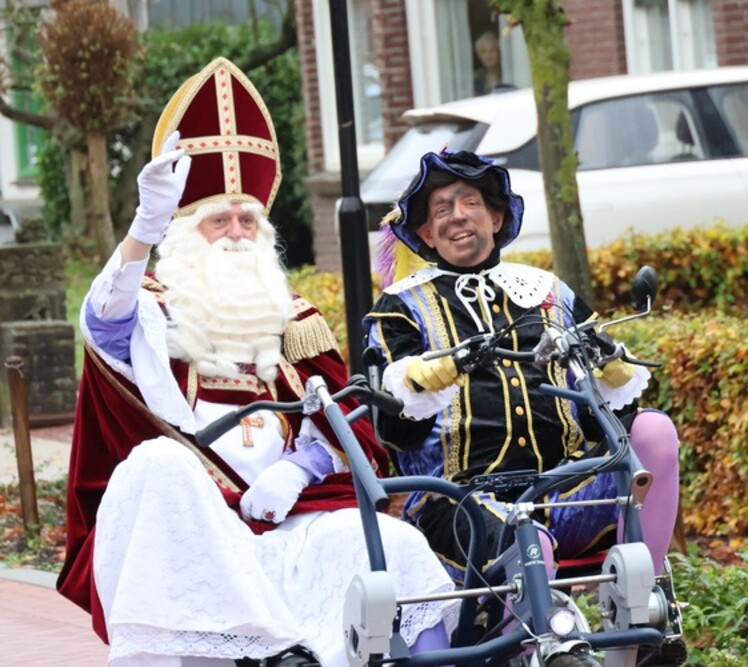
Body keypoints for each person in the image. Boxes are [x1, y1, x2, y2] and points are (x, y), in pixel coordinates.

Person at [57, 58, 456, 667]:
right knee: (158, 463)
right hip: (193, 535)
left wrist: (299, 468)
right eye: (219, 220)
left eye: (249, 220)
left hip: (288, 522)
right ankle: (275, 652)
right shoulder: (149, 312)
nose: (238, 232)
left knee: (395, 548)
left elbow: (346, 423)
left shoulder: (293, 319)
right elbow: (102, 320)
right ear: (184, 236)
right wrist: (144, 226)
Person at [364, 149, 681, 586]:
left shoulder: (548, 291)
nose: (458, 216)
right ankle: (541, 630)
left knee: (653, 431)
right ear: (426, 234)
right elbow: (393, 433)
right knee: (529, 545)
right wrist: (422, 380)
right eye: (441, 210)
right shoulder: (400, 306)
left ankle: (643, 598)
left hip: (563, 495)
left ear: (496, 218)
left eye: (470, 203)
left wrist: (611, 372)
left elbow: (603, 421)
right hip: (461, 505)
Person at [472, 31, 501, 96]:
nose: (488, 55)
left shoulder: (507, 74)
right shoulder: (476, 79)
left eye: (492, 50)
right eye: (484, 52)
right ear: (479, 55)